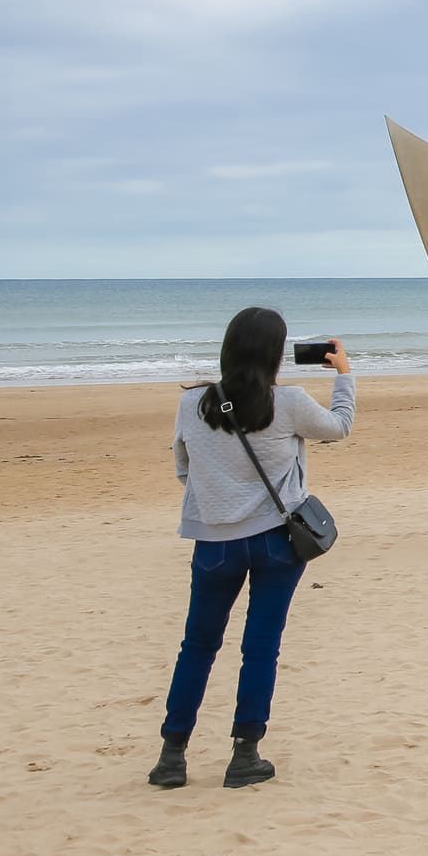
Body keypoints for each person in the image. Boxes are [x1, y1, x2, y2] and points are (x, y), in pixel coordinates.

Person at [149, 307, 354, 789]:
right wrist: (345, 374)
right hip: (277, 542)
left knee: (197, 646)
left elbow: (183, 466)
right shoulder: (292, 402)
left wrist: (217, 500)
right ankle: (244, 755)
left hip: (214, 541)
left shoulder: (193, 403)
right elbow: (340, 426)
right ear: (276, 354)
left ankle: (171, 756)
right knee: (260, 648)